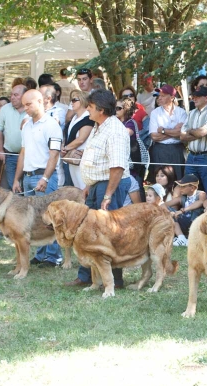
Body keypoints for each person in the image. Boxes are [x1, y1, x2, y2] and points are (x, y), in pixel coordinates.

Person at [66, 89, 132, 288]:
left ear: (101, 110)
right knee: (88, 231)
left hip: (111, 185)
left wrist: (108, 195)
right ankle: (87, 276)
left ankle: (114, 280)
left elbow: (117, 167)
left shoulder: (115, 131)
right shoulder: (98, 126)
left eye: (91, 107)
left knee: (110, 232)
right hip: (97, 185)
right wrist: (89, 184)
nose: (87, 110)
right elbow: (97, 161)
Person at [12, 89, 62, 267]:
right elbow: (22, 153)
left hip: (43, 177)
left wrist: (46, 178)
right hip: (27, 177)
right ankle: (41, 254)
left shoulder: (51, 125)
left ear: (40, 102)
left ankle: (54, 256)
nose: (24, 108)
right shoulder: (26, 126)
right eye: (23, 104)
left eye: (28, 104)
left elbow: (54, 155)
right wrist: (17, 179)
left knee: (49, 217)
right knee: (34, 219)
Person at [180, 86, 207, 196]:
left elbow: (202, 132)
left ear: (206, 98)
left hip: (205, 157)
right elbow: (182, 136)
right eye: (193, 96)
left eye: (197, 96)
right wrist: (196, 132)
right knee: (187, 189)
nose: (194, 98)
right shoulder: (191, 113)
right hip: (191, 156)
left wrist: (191, 130)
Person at [149, 84, 187, 181]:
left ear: (172, 97)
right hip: (160, 150)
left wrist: (163, 130)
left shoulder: (181, 112)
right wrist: (174, 131)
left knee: (178, 179)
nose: (159, 98)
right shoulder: (155, 113)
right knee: (161, 180)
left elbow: (181, 133)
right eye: (159, 96)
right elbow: (154, 136)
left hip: (177, 150)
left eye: (163, 96)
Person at [0, 84, 28, 189]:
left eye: (16, 95)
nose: (12, 97)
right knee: (13, 185)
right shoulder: (5, 109)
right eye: (11, 95)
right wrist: (0, 150)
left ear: (24, 95)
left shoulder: (30, 109)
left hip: (29, 156)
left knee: (27, 186)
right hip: (11, 155)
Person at [116, 97, 147, 200]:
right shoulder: (117, 122)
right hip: (124, 162)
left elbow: (124, 133)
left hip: (133, 163)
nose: (115, 110)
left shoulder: (130, 123)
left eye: (118, 108)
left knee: (137, 188)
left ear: (126, 109)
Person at [62, 89, 93, 189]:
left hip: (83, 158)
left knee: (83, 187)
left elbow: (81, 139)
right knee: (76, 187)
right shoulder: (74, 118)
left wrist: (65, 148)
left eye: (75, 99)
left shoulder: (88, 118)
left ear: (83, 100)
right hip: (73, 158)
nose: (72, 102)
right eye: (71, 100)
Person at [165, 174, 207, 247]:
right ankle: (182, 238)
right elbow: (164, 205)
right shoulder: (182, 198)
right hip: (185, 223)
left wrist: (182, 210)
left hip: (197, 224)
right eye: (180, 186)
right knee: (169, 211)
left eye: (183, 186)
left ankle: (190, 238)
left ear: (192, 188)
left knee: (196, 210)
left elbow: (200, 202)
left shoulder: (201, 194)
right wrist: (170, 212)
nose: (180, 188)